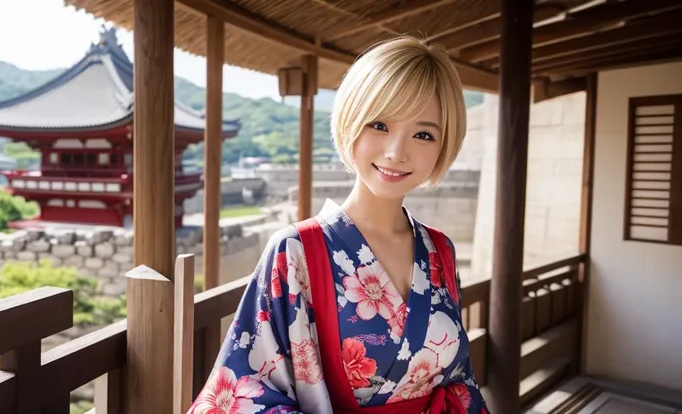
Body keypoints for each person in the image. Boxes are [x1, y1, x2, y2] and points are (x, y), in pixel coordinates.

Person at [189, 35, 489, 414]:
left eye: (423, 134)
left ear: (444, 145)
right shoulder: (295, 250)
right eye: (379, 125)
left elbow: (458, 385)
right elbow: (247, 391)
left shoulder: (439, 251)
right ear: (350, 120)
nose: (397, 152)